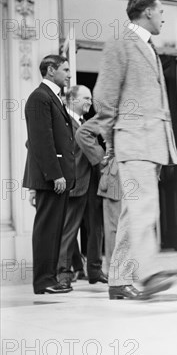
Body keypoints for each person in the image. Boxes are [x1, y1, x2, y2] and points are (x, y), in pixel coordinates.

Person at [93, 0, 177, 299]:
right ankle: (148, 273)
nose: (163, 17)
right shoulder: (122, 43)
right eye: (161, 11)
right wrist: (113, 139)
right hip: (134, 139)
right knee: (144, 208)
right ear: (146, 13)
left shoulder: (148, 47)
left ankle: (118, 280)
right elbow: (104, 96)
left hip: (150, 143)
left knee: (134, 212)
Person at [23, 55, 75, 294]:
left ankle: (50, 279)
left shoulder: (53, 97)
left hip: (57, 177)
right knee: (47, 229)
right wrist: (55, 175)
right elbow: (40, 141)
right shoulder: (39, 97)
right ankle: (43, 281)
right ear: (51, 70)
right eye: (65, 69)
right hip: (52, 179)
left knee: (54, 229)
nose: (69, 74)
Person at [57, 85, 107, 287]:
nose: (90, 101)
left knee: (96, 229)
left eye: (91, 98)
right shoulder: (60, 120)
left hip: (94, 184)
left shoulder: (86, 123)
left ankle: (95, 271)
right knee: (69, 231)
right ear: (72, 100)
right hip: (74, 185)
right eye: (86, 98)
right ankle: (63, 275)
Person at [76, 115, 123, 278]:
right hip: (116, 172)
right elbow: (83, 133)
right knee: (114, 225)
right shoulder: (114, 110)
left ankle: (127, 269)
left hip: (137, 172)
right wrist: (101, 158)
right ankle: (114, 271)